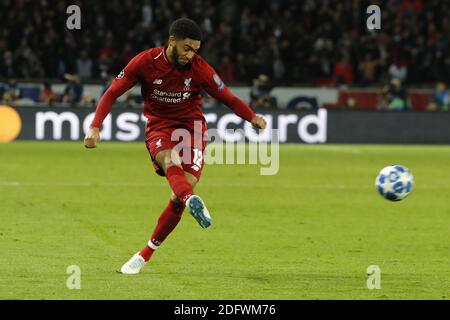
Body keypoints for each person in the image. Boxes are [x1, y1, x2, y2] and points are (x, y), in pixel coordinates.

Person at [83, 18, 267, 274]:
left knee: (177, 198)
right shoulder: (145, 62)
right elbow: (113, 92)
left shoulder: (200, 69)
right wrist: (95, 126)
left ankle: (144, 254)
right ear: (172, 41)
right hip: (159, 126)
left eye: (195, 50)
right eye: (187, 48)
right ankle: (191, 199)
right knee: (171, 161)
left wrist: (252, 117)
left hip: (191, 129)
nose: (191, 55)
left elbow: (229, 98)